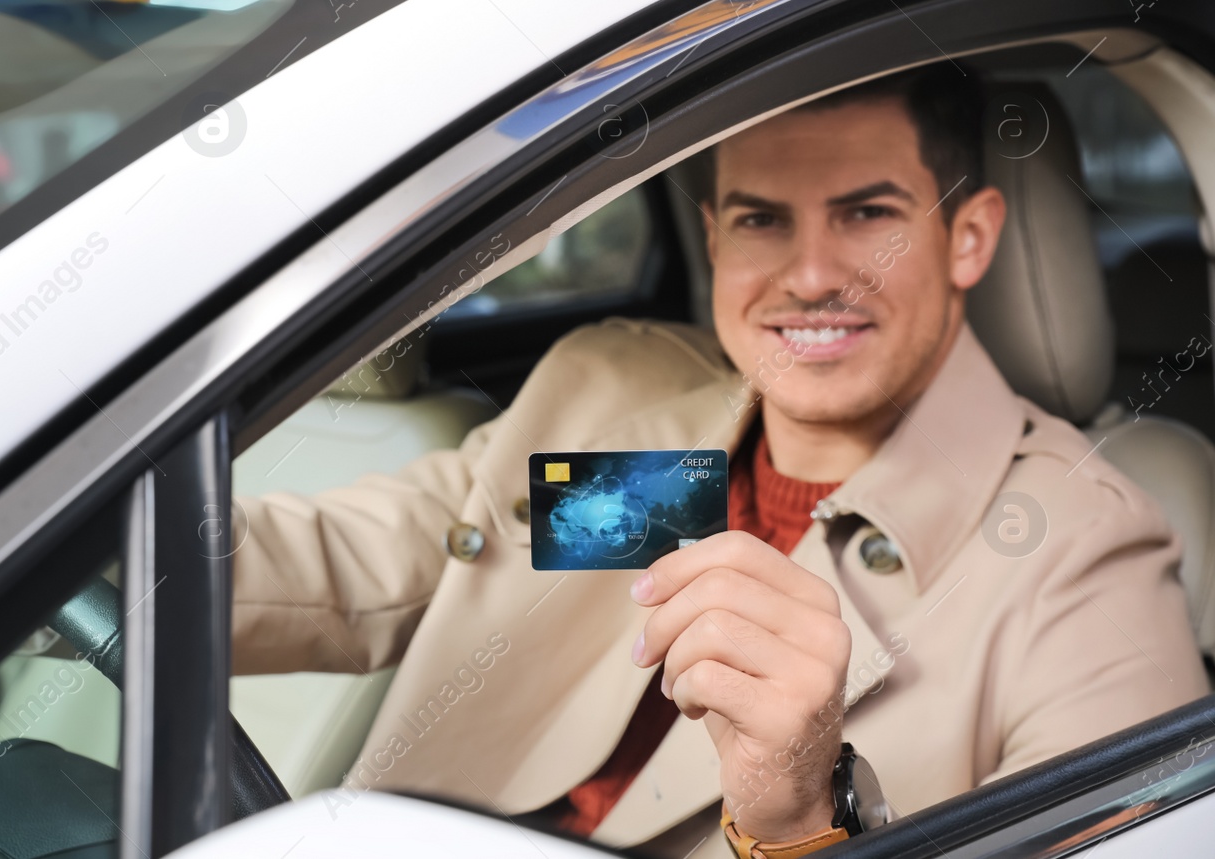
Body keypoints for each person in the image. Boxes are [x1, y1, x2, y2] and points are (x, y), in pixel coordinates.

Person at [230, 64, 1207, 857]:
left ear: (968, 237)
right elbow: (355, 558)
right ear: (712, 239)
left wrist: (797, 819)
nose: (812, 275)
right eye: (761, 219)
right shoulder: (628, 413)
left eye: (868, 213)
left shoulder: (1082, 559)